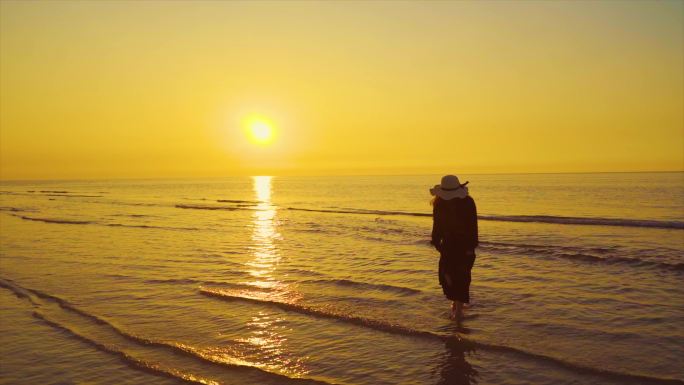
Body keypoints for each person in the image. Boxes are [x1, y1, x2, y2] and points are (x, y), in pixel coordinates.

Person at [430, 175, 479, 320]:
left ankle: (455, 304)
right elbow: (473, 225)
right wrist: (472, 246)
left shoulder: (439, 203)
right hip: (464, 244)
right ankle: (458, 309)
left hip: (448, 244)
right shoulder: (468, 202)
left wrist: (436, 242)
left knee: (448, 273)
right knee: (463, 275)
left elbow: (437, 225)